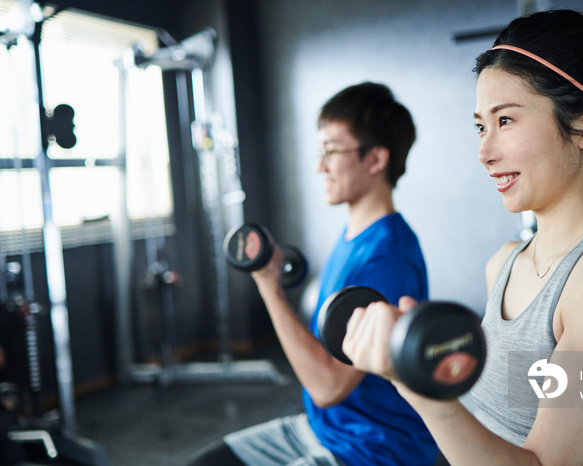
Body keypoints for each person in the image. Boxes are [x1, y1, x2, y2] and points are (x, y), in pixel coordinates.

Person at [342, 9, 583, 466]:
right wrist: (421, 350)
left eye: (505, 121)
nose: (484, 152)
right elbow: (493, 426)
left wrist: (414, 383)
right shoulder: (504, 263)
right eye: (481, 125)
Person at [187, 82, 438, 465]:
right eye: (320, 152)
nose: (320, 165)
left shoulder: (387, 258)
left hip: (373, 448)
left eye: (332, 152)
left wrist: (268, 284)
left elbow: (328, 385)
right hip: (323, 428)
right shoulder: (355, 236)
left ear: (375, 160)